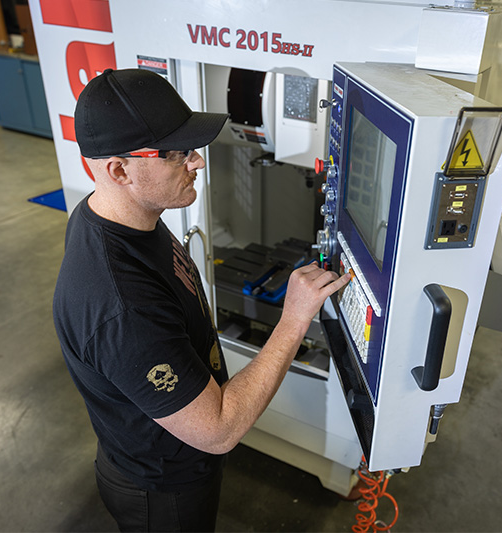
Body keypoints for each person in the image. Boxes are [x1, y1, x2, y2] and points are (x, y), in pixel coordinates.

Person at [53, 68, 350, 532]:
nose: (197, 162)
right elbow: (219, 430)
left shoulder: (120, 217)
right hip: (162, 491)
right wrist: (294, 318)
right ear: (119, 170)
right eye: (177, 154)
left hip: (167, 457)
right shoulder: (121, 308)